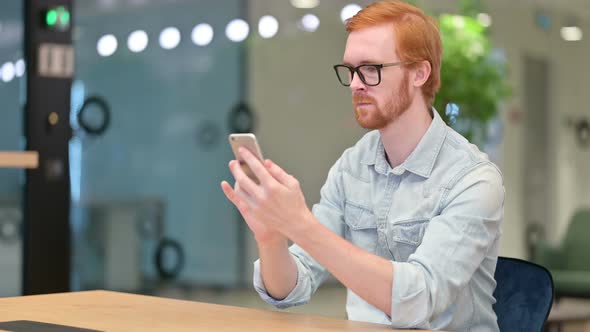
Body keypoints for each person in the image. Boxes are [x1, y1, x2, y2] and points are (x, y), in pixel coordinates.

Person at [221, 1, 505, 330]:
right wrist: (271, 237)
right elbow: (289, 289)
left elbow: (420, 300)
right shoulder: (352, 166)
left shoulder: (473, 179)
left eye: (371, 69)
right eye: (351, 70)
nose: (356, 84)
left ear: (419, 73)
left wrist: (301, 225)